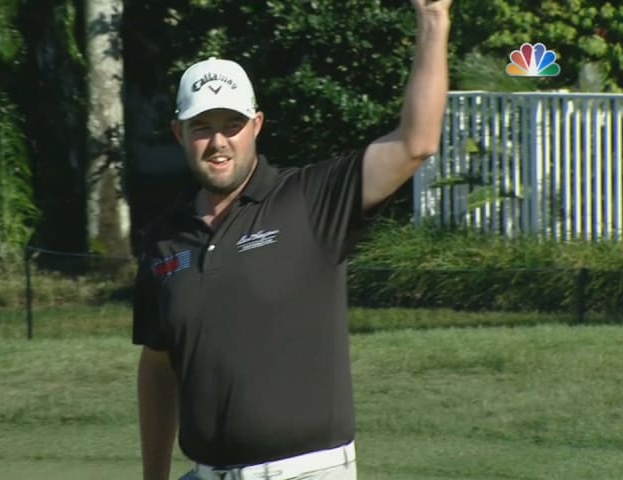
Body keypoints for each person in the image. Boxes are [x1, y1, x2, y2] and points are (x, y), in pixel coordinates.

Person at [132, 1, 451, 479]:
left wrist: (433, 19)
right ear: (179, 133)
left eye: (232, 126)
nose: (218, 143)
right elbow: (158, 366)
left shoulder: (311, 199)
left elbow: (415, 144)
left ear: (256, 126)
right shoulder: (163, 240)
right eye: (202, 128)